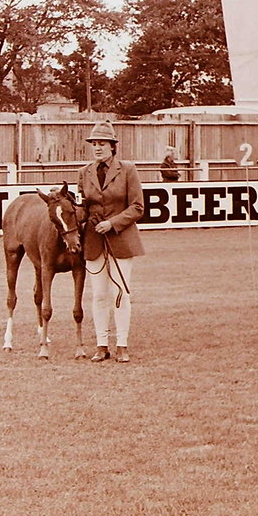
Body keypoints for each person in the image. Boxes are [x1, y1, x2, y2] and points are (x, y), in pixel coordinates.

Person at [77, 122, 145, 363]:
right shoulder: (84, 172)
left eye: (102, 144)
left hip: (121, 240)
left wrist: (112, 223)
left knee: (121, 293)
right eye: (94, 144)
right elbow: (82, 207)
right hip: (94, 241)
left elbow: (137, 207)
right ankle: (102, 345)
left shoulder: (127, 170)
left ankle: (122, 345)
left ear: (113, 146)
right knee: (98, 295)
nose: (97, 148)